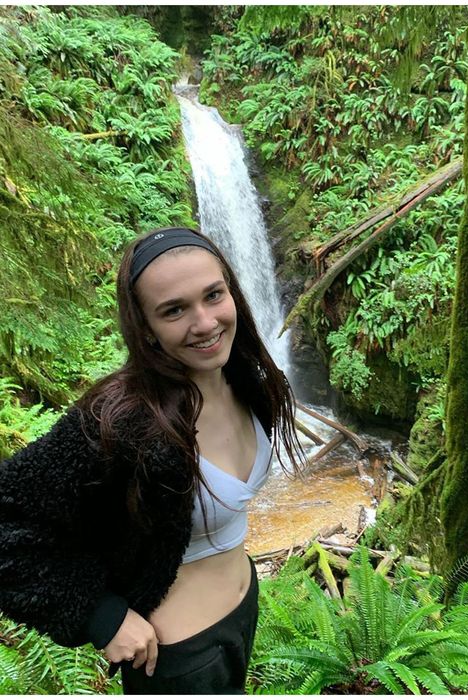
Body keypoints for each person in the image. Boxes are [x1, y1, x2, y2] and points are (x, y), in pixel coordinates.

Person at [0, 227, 301, 694]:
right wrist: (98, 614)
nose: (205, 323)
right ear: (145, 328)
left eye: (213, 295)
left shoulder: (247, 380)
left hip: (243, 611)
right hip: (177, 656)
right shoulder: (121, 421)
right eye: (174, 310)